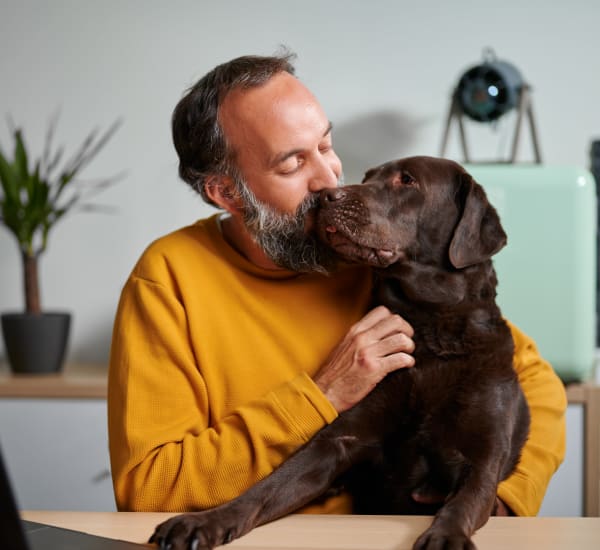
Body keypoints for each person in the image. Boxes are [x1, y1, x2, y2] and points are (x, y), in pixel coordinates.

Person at [107, 52, 566, 517]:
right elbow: (149, 488)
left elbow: (536, 385)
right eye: (292, 164)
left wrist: (500, 501)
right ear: (226, 192)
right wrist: (320, 397)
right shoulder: (169, 278)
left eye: (326, 146)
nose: (328, 181)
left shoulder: (376, 255)